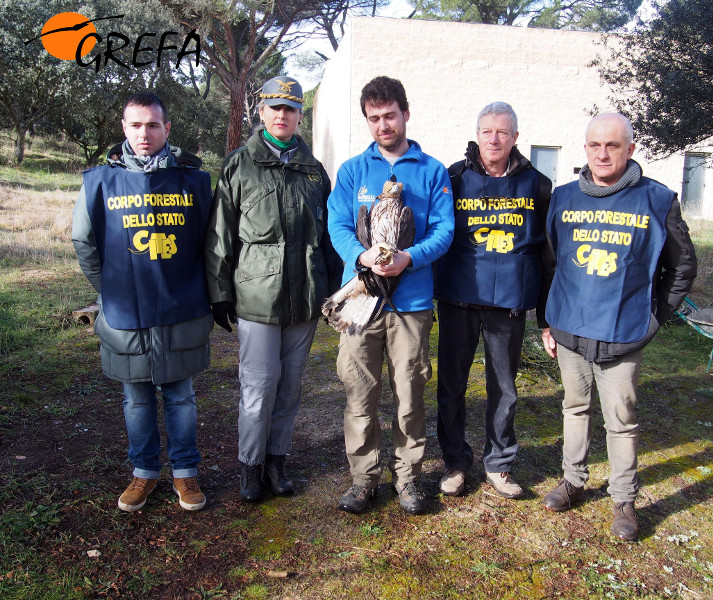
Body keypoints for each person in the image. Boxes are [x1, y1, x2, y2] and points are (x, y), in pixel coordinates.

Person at [540, 112, 697, 541]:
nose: (602, 153)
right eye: (594, 145)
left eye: (613, 145)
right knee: (573, 409)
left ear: (630, 149)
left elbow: (681, 269)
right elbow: (551, 263)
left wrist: (653, 320)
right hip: (570, 329)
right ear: (585, 148)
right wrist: (547, 321)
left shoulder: (658, 200)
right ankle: (573, 481)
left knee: (621, 421)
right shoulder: (563, 197)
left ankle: (623, 500)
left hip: (623, 334)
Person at [72, 91, 213, 512]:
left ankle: (186, 474)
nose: (144, 133)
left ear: (167, 128)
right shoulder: (99, 181)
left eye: (153, 125)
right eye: (136, 125)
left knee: (181, 396)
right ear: (124, 128)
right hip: (125, 313)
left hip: (181, 306)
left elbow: (212, 242)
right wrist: (108, 288)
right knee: (135, 398)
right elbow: (84, 240)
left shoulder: (194, 180)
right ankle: (144, 473)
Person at [205, 76, 342, 503]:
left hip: (304, 299)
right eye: (274, 108)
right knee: (258, 387)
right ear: (260, 112)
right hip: (256, 299)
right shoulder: (238, 165)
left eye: (291, 109)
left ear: (301, 115)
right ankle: (250, 466)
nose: (282, 116)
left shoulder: (314, 171)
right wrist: (219, 292)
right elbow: (220, 235)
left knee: (290, 388)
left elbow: (329, 236)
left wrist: (335, 293)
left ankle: (277, 460)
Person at [327, 75, 454, 515]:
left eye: (390, 116)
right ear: (367, 120)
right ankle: (364, 480)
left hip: (411, 305)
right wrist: (362, 258)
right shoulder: (352, 171)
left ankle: (409, 480)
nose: (383, 125)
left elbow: (445, 230)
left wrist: (409, 259)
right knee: (360, 394)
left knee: (409, 395)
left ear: (405, 113)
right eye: (374, 118)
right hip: (362, 301)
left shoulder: (433, 170)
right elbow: (337, 225)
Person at [435, 102, 552, 499]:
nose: (494, 139)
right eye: (487, 131)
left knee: (504, 387)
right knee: (452, 385)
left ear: (516, 137)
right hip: (458, 298)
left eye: (503, 132)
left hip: (508, 302)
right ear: (477, 134)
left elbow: (546, 251)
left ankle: (499, 464)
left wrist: (546, 312)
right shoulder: (453, 177)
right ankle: (454, 462)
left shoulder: (537, 184)